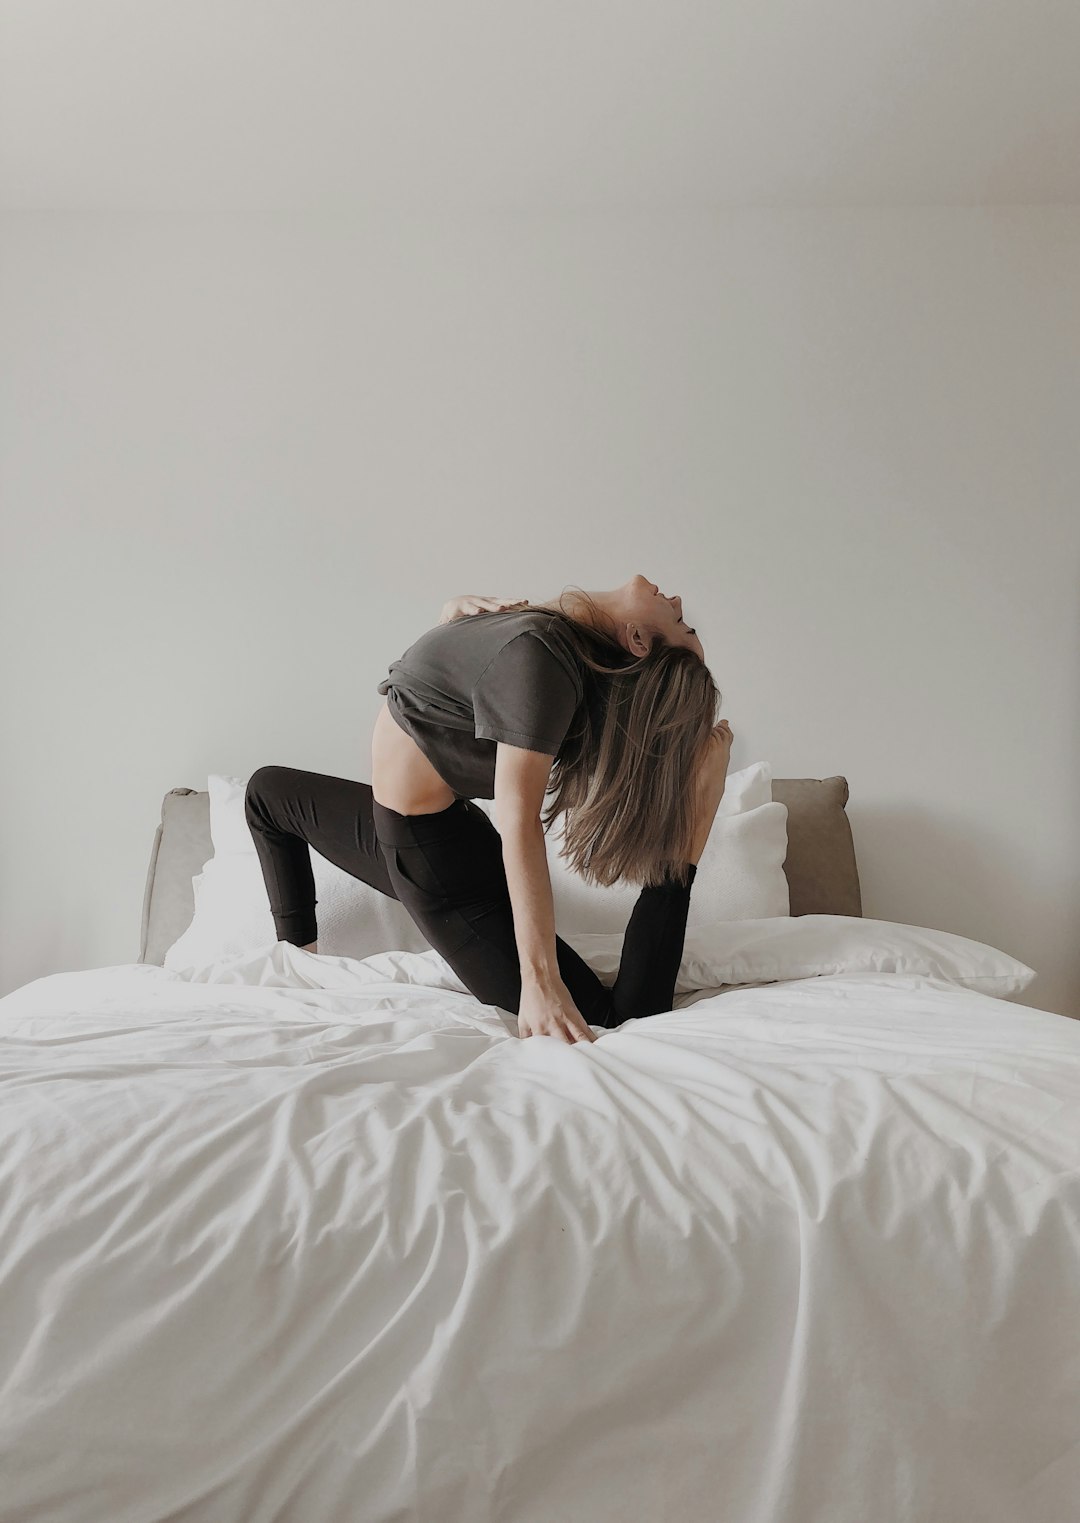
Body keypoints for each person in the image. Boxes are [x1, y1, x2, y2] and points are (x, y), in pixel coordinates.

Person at [245, 574, 733, 1045]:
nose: (679, 602)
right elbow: (448, 698)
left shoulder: (544, 658)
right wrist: (450, 622)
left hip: (441, 870)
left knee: (614, 1022)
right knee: (266, 795)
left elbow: (520, 822)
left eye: (682, 626)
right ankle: (299, 968)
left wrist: (540, 982)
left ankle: (692, 829)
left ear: (638, 641)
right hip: (413, 830)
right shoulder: (545, 631)